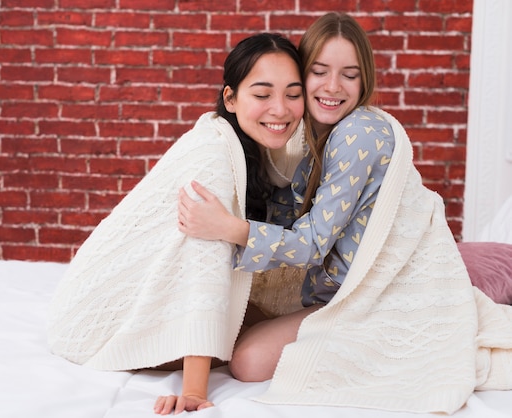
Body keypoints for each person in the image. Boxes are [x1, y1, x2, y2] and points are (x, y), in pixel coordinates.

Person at [178, 12, 512, 414]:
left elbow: (311, 244)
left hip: (380, 300)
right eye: (319, 71)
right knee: (232, 321)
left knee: (247, 362)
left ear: (365, 79)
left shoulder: (360, 133)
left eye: (349, 75)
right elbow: (286, 216)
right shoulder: (311, 142)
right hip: (338, 296)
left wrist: (229, 228)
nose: (333, 87)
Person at [47, 32, 306, 415]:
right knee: (258, 346)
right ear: (231, 99)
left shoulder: (270, 151)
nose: (280, 109)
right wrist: (195, 391)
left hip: (76, 311)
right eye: (262, 94)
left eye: (293, 93)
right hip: (95, 322)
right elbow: (203, 258)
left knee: (271, 330)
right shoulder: (213, 153)